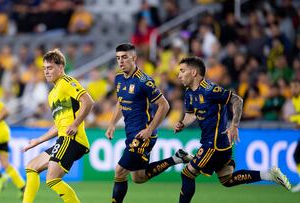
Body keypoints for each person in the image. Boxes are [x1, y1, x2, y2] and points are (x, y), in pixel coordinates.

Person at [174, 56, 292, 203]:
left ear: (193, 73)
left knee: (187, 174)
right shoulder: (189, 93)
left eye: (182, 71)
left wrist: (234, 125)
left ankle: (189, 159)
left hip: (214, 144)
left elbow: (237, 100)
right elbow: (191, 114)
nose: (179, 75)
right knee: (227, 180)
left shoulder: (210, 90)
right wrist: (183, 124)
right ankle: (269, 175)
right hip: (219, 144)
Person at [106, 43, 193, 203]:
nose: (121, 61)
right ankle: (176, 158)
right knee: (138, 177)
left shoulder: (144, 81)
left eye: (124, 57)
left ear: (134, 58)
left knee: (119, 171)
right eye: (118, 58)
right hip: (131, 133)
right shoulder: (118, 78)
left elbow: (164, 105)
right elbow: (121, 101)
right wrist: (112, 124)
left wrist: (149, 129)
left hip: (143, 134)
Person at [22, 49, 94, 203]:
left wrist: (75, 124)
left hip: (72, 139)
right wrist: (38, 141)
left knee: (52, 179)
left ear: (61, 67)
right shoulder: (52, 94)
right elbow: (58, 125)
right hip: (63, 138)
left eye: (50, 68)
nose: (46, 72)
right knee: (31, 166)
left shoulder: (67, 82)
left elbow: (88, 102)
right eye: (44, 69)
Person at [289, 79, 300, 192]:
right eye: (292, 87)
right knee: (296, 155)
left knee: (296, 155)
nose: (293, 89)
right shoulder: (294, 99)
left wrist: (294, 119)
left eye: (296, 86)